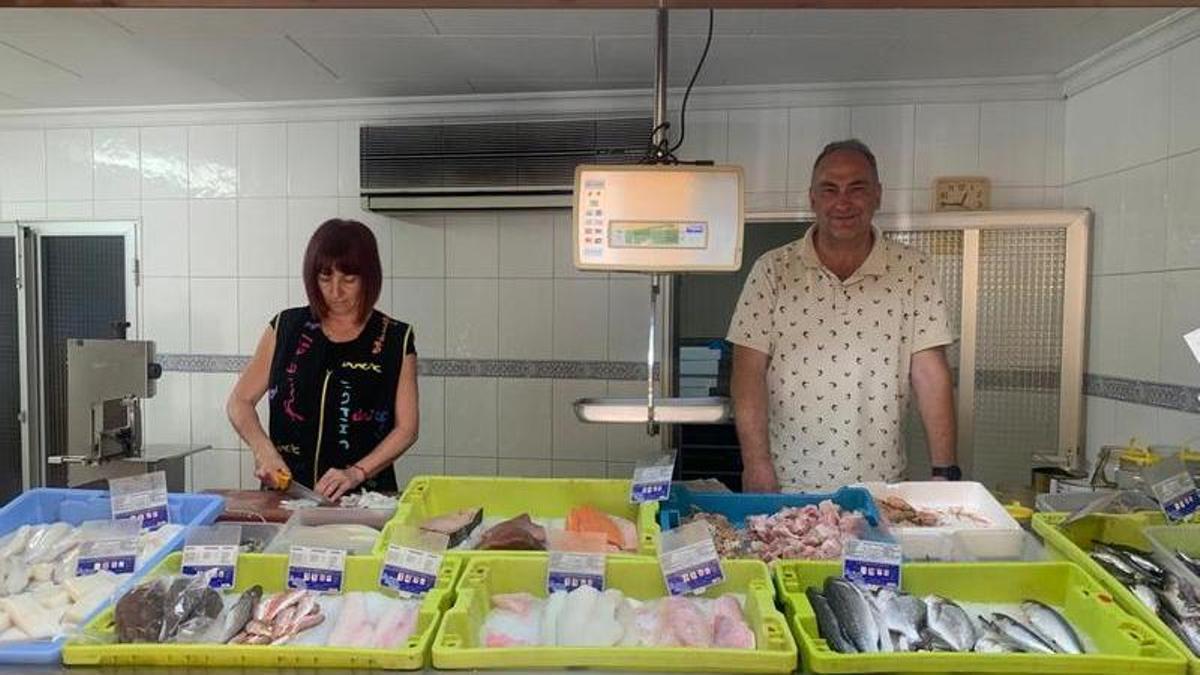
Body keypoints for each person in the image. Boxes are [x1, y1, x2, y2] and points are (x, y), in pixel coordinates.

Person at [728, 139, 958, 493]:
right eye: (830, 189)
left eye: (857, 188)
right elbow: (747, 374)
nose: (843, 202)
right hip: (786, 485)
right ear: (812, 198)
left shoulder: (913, 269)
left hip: (880, 486)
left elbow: (931, 375)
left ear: (878, 195)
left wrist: (944, 472)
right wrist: (756, 464)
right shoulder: (773, 270)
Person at [227, 218, 418, 500]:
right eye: (325, 278)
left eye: (349, 279)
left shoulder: (394, 338)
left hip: (363, 499)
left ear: (370, 277)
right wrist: (263, 451)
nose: (336, 292)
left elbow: (407, 428)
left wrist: (357, 472)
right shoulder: (286, 327)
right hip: (287, 493)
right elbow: (239, 402)